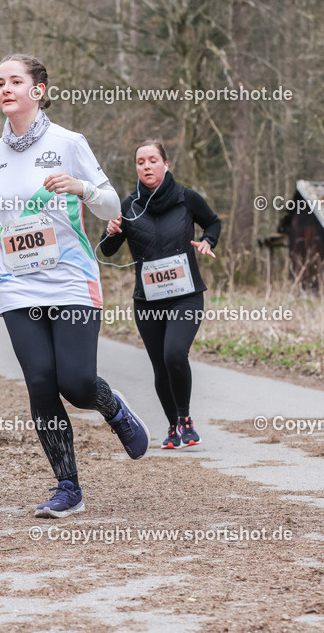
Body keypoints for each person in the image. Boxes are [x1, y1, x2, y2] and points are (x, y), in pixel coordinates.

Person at [0, 53, 149, 519]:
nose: (5, 88)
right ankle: (68, 488)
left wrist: (79, 187)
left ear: (37, 90)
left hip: (70, 280)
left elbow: (110, 206)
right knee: (41, 383)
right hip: (18, 286)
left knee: (76, 383)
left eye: (15, 81)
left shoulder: (69, 142)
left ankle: (113, 407)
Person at [100, 140, 221, 449]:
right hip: (147, 301)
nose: (146, 166)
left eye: (153, 160)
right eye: (140, 162)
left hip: (186, 294)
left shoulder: (186, 198)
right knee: (159, 365)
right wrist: (111, 232)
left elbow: (213, 222)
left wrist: (208, 241)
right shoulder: (127, 206)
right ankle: (172, 426)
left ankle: (185, 419)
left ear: (166, 164)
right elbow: (108, 250)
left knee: (174, 354)